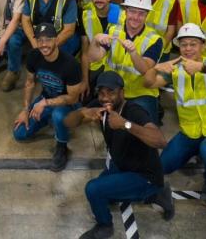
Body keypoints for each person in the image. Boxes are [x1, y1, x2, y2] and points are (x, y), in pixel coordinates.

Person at [65, 71, 173, 239]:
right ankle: (157, 194)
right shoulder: (100, 106)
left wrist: (125, 125)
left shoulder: (135, 111)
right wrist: (82, 114)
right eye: (101, 93)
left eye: (111, 92)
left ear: (122, 92)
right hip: (121, 164)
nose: (106, 97)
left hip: (145, 174)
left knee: (93, 189)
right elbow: (67, 122)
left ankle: (105, 226)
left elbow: (161, 141)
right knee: (104, 197)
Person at [145, 23, 206, 205]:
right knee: (163, 166)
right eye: (184, 44)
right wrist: (155, 68)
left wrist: (202, 68)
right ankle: (197, 150)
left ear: (203, 45)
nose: (187, 48)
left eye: (193, 44)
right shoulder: (175, 70)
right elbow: (148, 84)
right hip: (190, 132)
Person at [13, 22, 82, 172]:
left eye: (48, 39)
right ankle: (52, 121)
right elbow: (30, 83)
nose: (44, 44)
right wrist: (26, 109)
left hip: (69, 104)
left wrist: (45, 103)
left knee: (58, 115)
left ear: (56, 40)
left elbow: (73, 98)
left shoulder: (70, 64)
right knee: (20, 134)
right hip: (47, 97)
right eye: (40, 40)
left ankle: (62, 146)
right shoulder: (33, 56)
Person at [88, 0, 164, 123]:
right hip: (114, 92)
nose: (136, 17)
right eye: (132, 11)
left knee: (147, 130)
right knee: (100, 119)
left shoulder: (155, 39)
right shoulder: (113, 30)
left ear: (147, 15)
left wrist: (134, 53)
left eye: (141, 13)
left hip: (140, 93)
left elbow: (145, 69)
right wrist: (95, 41)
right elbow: (95, 57)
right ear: (126, 11)